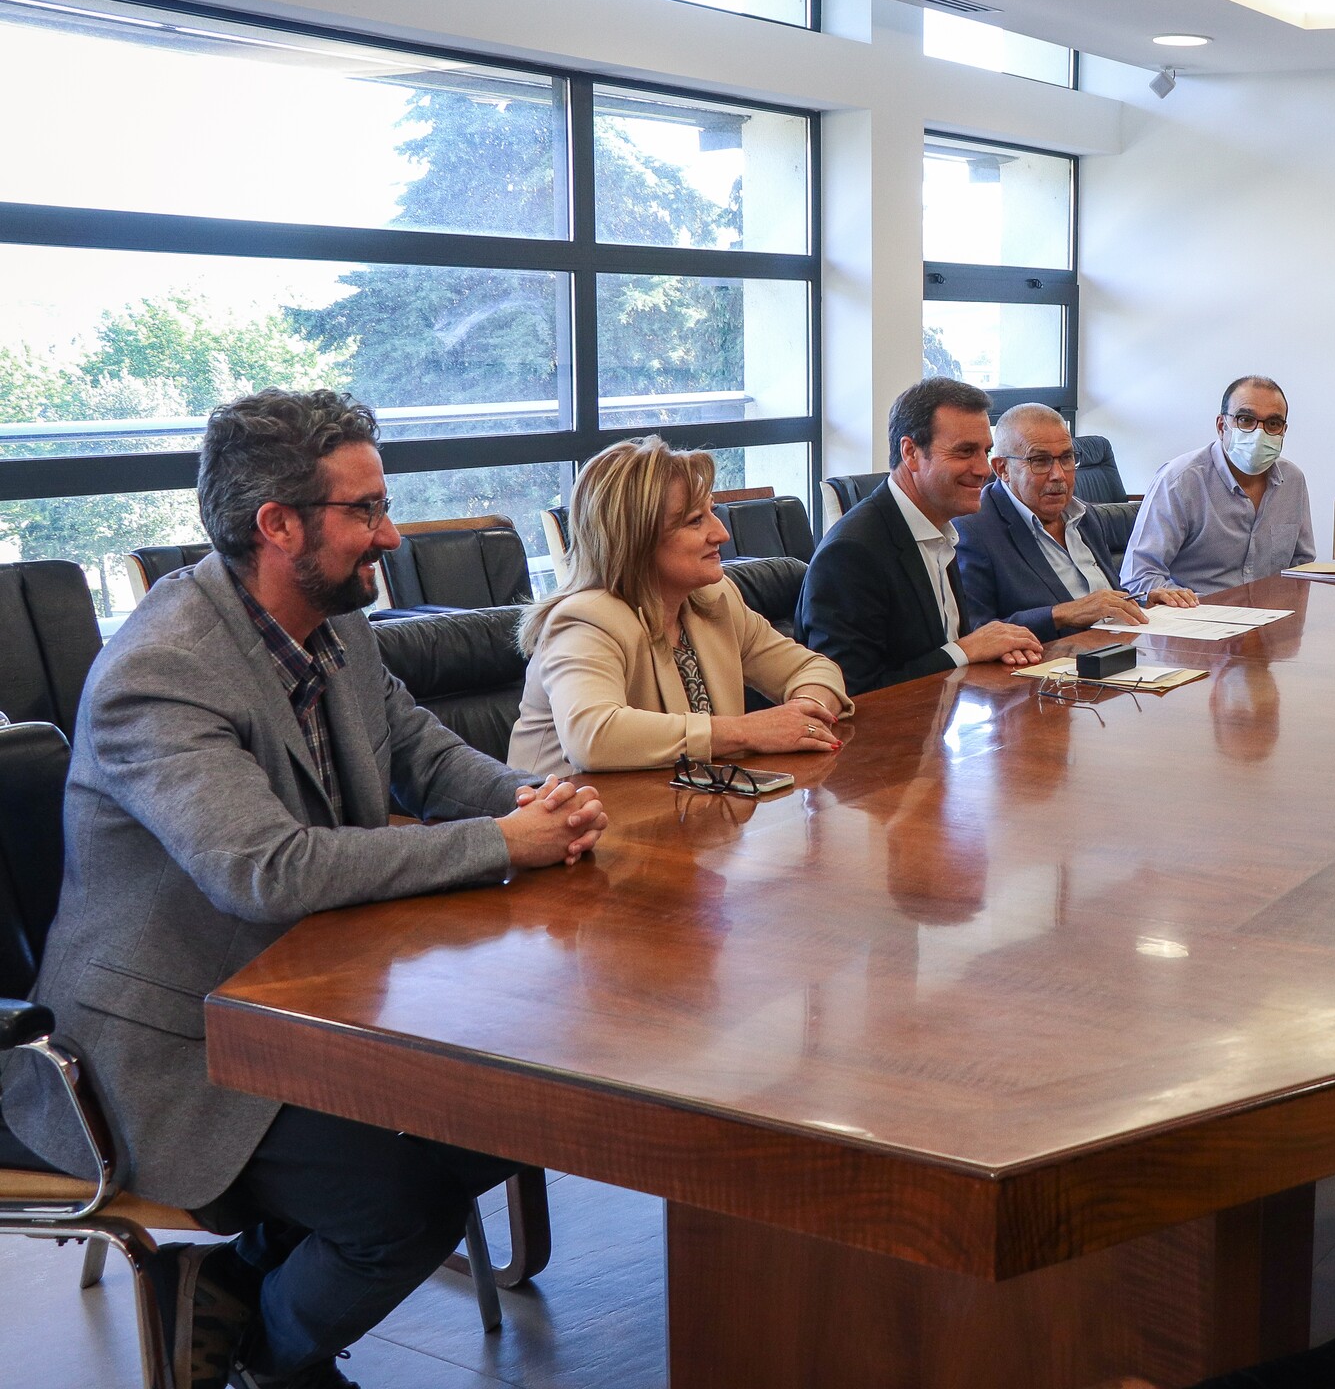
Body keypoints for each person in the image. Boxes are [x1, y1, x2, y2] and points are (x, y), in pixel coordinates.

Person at [0, 390, 606, 1389]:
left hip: (306, 1002)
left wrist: (546, 802)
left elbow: (425, 754)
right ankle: (256, 1359)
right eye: (364, 511)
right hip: (168, 1049)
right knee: (399, 1212)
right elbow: (264, 869)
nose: (392, 533)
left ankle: (230, 1292)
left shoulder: (335, 625)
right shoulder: (160, 671)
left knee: (511, 1115)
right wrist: (502, 840)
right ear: (278, 525)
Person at [510, 436, 851, 776]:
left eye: (712, 513)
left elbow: (812, 670)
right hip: (578, 823)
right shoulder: (584, 621)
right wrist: (748, 731)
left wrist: (806, 713)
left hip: (691, 815)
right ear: (635, 538)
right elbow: (592, 737)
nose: (721, 533)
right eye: (694, 521)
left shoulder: (713, 599)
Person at [800, 378, 1045, 694]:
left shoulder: (941, 529)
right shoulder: (851, 553)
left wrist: (994, 647)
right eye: (965, 452)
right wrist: (966, 650)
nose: (984, 469)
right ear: (911, 452)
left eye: (985, 451)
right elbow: (851, 693)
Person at [955, 404, 1199, 641]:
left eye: (1067, 458)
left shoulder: (1083, 515)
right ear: (1002, 468)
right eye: (1040, 461)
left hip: (1120, 650)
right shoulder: (973, 530)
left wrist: (1144, 602)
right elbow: (976, 634)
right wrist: (1062, 614)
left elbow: (1102, 602)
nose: (1059, 474)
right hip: (1051, 670)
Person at [1122, 375, 1315, 597]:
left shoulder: (1293, 481)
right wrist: (1188, 604)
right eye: (1245, 419)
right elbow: (1138, 575)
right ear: (1222, 426)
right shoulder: (1179, 481)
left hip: (1270, 622)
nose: (1259, 433)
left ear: (1283, 431)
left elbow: (1302, 568)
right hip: (1197, 620)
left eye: (1273, 424)